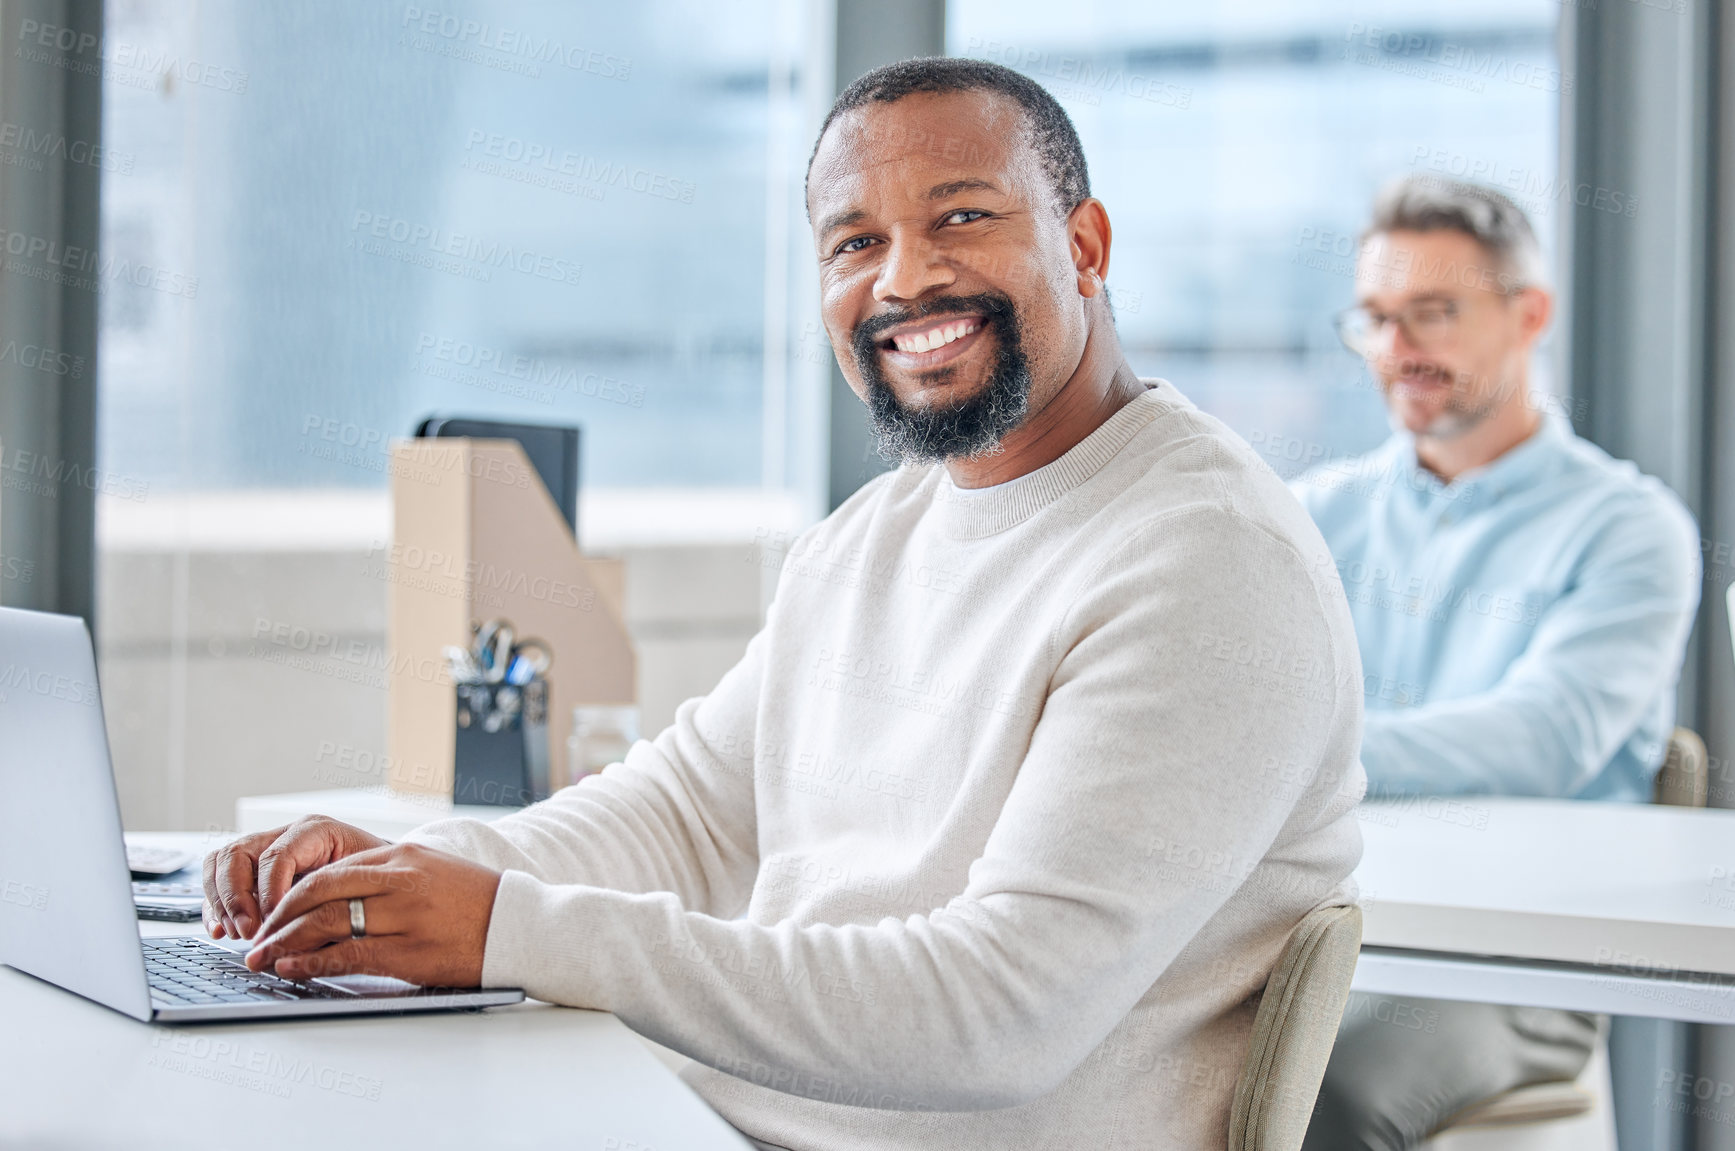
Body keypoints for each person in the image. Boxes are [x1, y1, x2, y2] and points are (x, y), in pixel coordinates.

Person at [206, 58, 1367, 1150]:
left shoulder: (1208, 561)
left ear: (1085, 244)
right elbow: (686, 819)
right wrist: (403, 875)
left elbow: (996, 1010)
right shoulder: (870, 536)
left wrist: (505, 926)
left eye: (961, 216)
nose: (903, 278)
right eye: (855, 240)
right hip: (721, 1120)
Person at [1294, 176, 1701, 1151]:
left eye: (1432, 312)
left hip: (1508, 959)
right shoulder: (1311, 513)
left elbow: (1542, 738)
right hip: (1322, 919)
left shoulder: (1627, 528)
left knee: (1304, 1083)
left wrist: (1301, 755)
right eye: (1376, 318)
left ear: (1531, 314)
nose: (1398, 350)